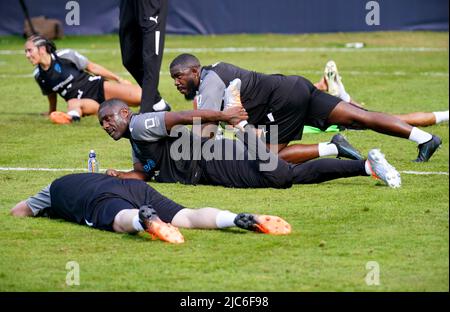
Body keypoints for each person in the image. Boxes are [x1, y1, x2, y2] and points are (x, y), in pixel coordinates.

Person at [98, 85, 401, 189]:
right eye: (102, 124)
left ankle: (240, 126)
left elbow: (182, 117)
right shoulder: (135, 140)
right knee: (288, 175)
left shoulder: (140, 124)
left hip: (211, 162)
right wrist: (119, 175)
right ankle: (367, 167)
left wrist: (227, 116)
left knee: (282, 176)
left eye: (108, 118)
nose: (106, 126)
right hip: (210, 163)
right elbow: (145, 173)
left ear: (124, 112)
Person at [169, 53, 442, 163]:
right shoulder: (215, 72)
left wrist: (175, 144)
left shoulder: (209, 83)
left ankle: (334, 147)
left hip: (282, 101)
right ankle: (425, 138)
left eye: (179, 77)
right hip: (294, 86)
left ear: (194, 70)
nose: (177, 84)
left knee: (269, 159)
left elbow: (204, 134)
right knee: (360, 118)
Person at [10, 173, 292, 244]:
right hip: (132, 186)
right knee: (187, 216)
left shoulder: (53, 189)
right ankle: (236, 218)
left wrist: (45, 209)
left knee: (118, 219)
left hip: (95, 197)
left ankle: (144, 221)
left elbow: (19, 212)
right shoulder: (85, 176)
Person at [25, 35, 142, 124]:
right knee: (73, 103)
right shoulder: (38, 75)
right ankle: (71, 118)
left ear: (42, 49)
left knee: (140, 96)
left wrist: (119, 79)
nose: (27, 55)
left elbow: (92, 67)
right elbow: (51, 94)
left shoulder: (66, 55)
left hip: (97, 87)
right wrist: (52, 111)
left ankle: (154, 111)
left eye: (30, 50)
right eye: (26, 51)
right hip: (80, 101)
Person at [316, 60, 449, 128]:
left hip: (323, 116)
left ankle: (339, 94)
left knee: (391, 120)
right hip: (320, 112)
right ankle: (340, 93)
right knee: (371, 115)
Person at [118, 0, 171, 113]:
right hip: (129, 3)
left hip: (150, 4)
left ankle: (144, 117)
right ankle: (158, 103)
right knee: (129, 59)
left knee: (150, 62)